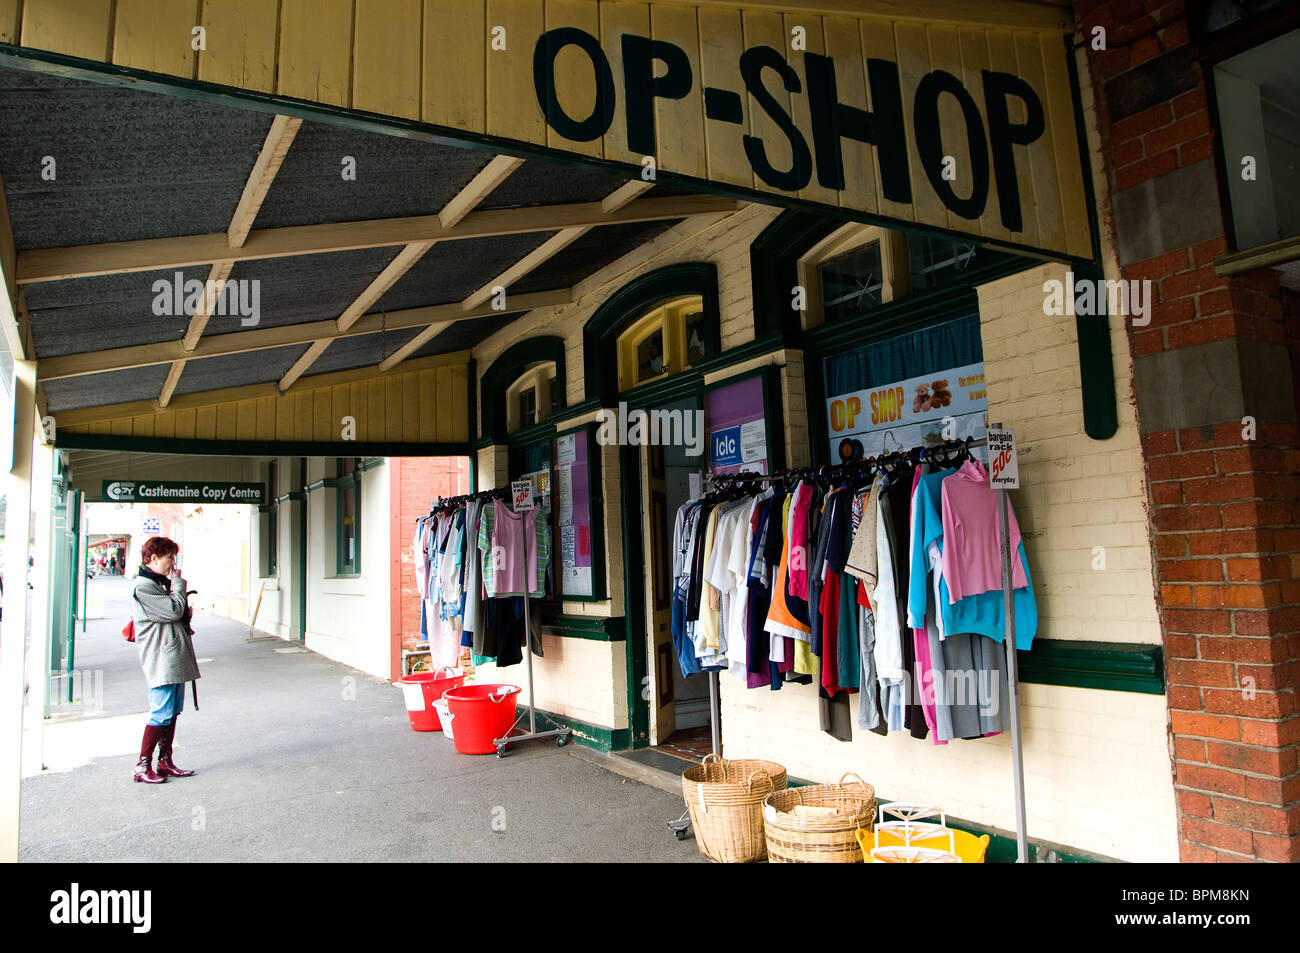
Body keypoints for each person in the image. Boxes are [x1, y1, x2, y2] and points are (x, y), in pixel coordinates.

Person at [131, 536, 200, 784]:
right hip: (161, 659)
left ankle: (164, 761)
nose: (172, 562)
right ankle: (143, 766)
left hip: (172, 657)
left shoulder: (159, 584)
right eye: (169, 556)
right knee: (160, 712)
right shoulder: (145, 588)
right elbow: (173, 610)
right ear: (153, 558)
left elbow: (176, 612)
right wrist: (179, 584)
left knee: (171, 712)